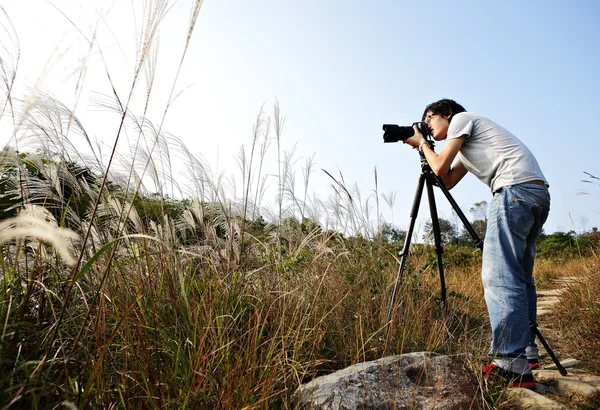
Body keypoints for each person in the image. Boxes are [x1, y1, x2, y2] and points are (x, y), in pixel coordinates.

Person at [403, 99, 550, 389]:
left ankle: (510, 363)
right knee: (521, 278)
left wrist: (423, 145)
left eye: (430, 118)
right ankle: (527, 352)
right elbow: (446, 180)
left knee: (500, 277)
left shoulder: (461, 119)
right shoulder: (472, 144)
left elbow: (441, 164)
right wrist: (425, 153)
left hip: (512, 193)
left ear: (447, 113)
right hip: (535, 194)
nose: (428, 125)